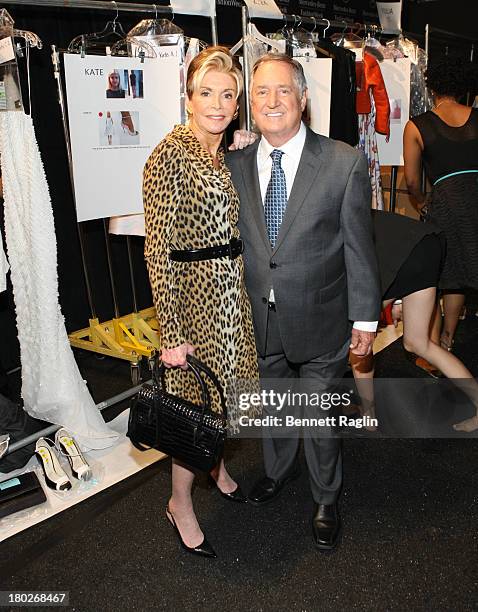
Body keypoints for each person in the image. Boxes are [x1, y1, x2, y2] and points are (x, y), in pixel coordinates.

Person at [227, 54, 381, 552]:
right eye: (261, 92)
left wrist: (365, 319)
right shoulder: (233, 164)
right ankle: (276, 471)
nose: (272, 101)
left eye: (283, 91)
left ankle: (326, 498)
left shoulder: (343, 162)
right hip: (260, 320)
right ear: (251, 103)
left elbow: (359, 248)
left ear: (303, 99)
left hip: (322, 320)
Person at [143, 47, 259, 559]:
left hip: (231, 295)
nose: (217, 103)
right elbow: (156, 249)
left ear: (237, 104)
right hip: (193, 302)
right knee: (195, 412)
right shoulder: (168, 155)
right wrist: (171, 333)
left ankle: (217, 467)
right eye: (206, 92)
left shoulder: (222, 152)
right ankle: (179, 501)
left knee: (225, 398)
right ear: (188, 98)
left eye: (227, 94)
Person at [350, 210, 478, 433]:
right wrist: (398, 300)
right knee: (418, 343)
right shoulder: (350, 207)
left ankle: (368, 415)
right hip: (427, 244)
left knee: (358, 343)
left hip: (401, 254)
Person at [403, 55, 478, 432]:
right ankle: (444, 341)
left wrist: (423, 203)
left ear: (431, 87)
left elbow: (413, 182)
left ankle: (437, 348)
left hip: (447, 208)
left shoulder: (418, 126)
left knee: (446, 276)